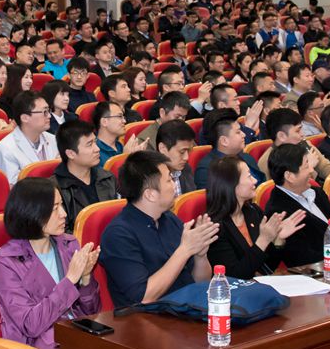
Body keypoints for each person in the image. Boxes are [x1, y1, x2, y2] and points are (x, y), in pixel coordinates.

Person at [0, 177, 100, 349]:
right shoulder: (5, 261)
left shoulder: (69, 244)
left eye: (62, 205)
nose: (64, 214)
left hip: (79, 339)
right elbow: (31, 324)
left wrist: (85, 279)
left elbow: (92, 312)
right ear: (32, 213)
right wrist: (70, 280)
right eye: (54, 208)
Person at [100, 150, 219, 308]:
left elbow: (201, 283)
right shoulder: (118, 235)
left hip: (186, 309)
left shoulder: (169, 219)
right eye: (169, 180)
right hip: (146, 318)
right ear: (150, 194)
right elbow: (144, 297)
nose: (175, 185)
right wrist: (185, 250)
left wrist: (200, 255)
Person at [205, 156, 306, 279]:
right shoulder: (214, 228)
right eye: (249, 176)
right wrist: (263, 240)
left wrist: (278, 240)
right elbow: (234, 277)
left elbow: (267, 268)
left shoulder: (252, 211)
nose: (255, 180)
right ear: (232, 184)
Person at [51, 120, 117, 233]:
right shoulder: (55, 189)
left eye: (95, 142)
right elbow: (61, 234)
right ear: (71, 154)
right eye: (89, 144)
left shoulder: (107, 177)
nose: (97, 149)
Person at [0, 91, 58, 185]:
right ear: (25, 118)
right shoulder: (6, 148)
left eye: (48, 110)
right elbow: (13, 187)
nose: (49, 115)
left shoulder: (53, 139)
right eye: (44, 112)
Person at [195, 109, 265, 189]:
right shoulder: (207, 169)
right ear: (224, 141)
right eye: (238, 132)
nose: (244, 134)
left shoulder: (247, 158)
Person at [93, 101, 146, 167]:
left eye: (123, 117)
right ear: (104, 122)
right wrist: (125, 158)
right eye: (119, 116)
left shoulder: (119, 146)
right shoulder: (95, 152)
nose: (124, 121)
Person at [155, 120, 198, 197]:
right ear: (163, 148)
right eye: (182, 152)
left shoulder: (186, 169)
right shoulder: (151, 178)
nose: (186, 158)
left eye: (189, 151)